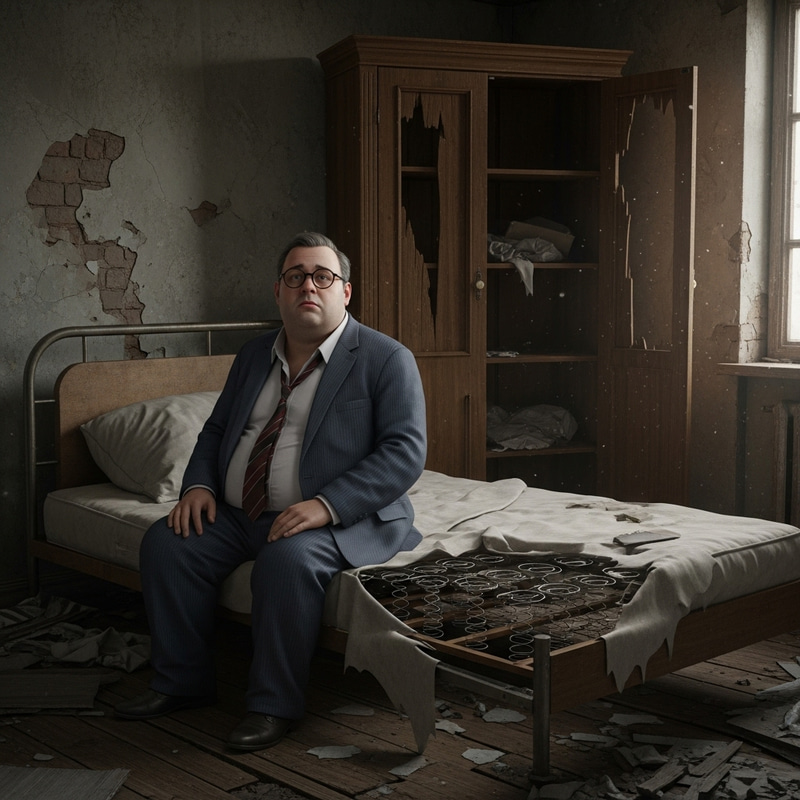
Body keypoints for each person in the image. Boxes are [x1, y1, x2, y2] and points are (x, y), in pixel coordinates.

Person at [115, 232, 427, 751]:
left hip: (341, 516)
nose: (309, 284)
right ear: (278, 291)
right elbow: (217, 430)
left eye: (322, 276)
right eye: (295, 276)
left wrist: (326, 505)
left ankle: (272, 705)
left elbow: (403, 453)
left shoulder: (386, 358)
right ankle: (181, 683)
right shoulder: (254, 354)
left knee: (286, 563)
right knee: (167, 544)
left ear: (345, 292)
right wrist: (197, 484)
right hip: (241, 513)